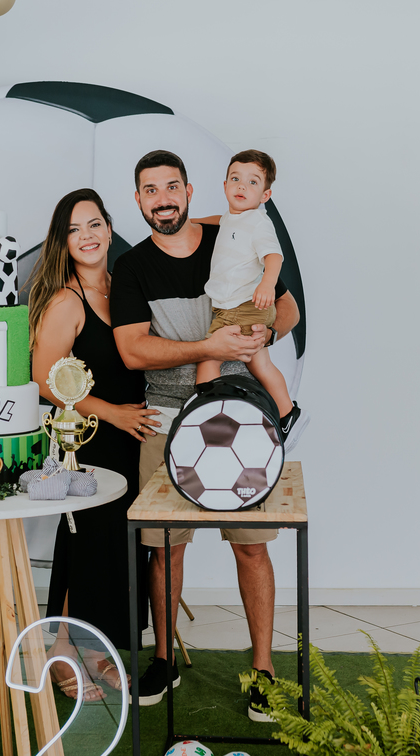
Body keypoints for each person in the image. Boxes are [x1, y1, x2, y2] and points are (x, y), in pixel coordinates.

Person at [110, 150, 301, 721]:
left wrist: (249, 338)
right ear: (139, 199)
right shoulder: (133, 266)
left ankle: (263, 668)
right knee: (165, 550)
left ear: (191, 191)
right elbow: (131, 350)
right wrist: (207, 349)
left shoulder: (234, 238)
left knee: (250, 543)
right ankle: (164, 657)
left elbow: (286, 311)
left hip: (242, 415)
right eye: (150, 190)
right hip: (167, 417)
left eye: (172, 187)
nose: (163, 198)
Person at [26, 187, 158, 701]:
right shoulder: (66, 300)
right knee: (84, 546)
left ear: (109, 227)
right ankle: (61, 647)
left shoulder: (123, 285)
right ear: (63, 240)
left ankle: (96, 647)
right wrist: (113, 413)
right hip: (93, 441)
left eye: (95, 223)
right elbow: (44, 379)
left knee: (117, 552)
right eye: (75, 228)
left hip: (134, 436)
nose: (87, 236)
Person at [196, 149, 305, 438]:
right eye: (236, 179)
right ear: (225, 186)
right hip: (240, 306)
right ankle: (287, 412)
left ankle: (205, 412)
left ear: (265, 196)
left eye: (253, 182)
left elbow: (274, 256)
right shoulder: (232, 217)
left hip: (243, 305)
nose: (242, 186)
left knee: (209, 358)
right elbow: (219, 220)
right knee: (260, 363)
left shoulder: (258, 222)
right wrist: (191, 223)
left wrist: (267, 284)